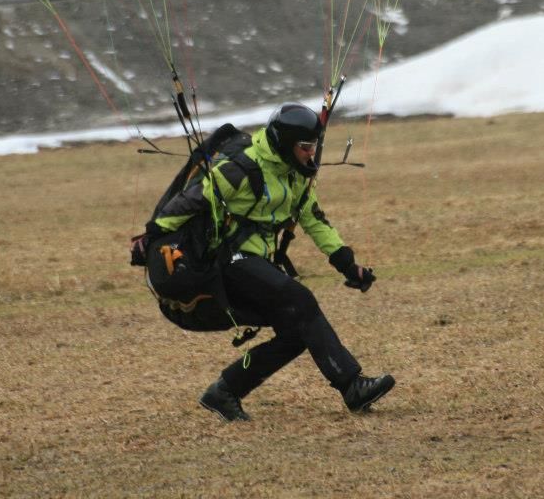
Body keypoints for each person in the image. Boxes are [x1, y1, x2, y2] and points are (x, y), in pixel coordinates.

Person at [147, 102, 395, 421]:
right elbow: (190, 201)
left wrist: (347, 264)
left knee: (295, 330)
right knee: (300, 299)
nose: (311, 153)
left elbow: (313, 219)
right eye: (305, 146)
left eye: (314, 146)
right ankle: (351, 386)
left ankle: (225, 391)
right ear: (285, 143)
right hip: (229, 260)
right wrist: (152, 238)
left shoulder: (297, 174)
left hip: (256, 262)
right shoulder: (241, 168)